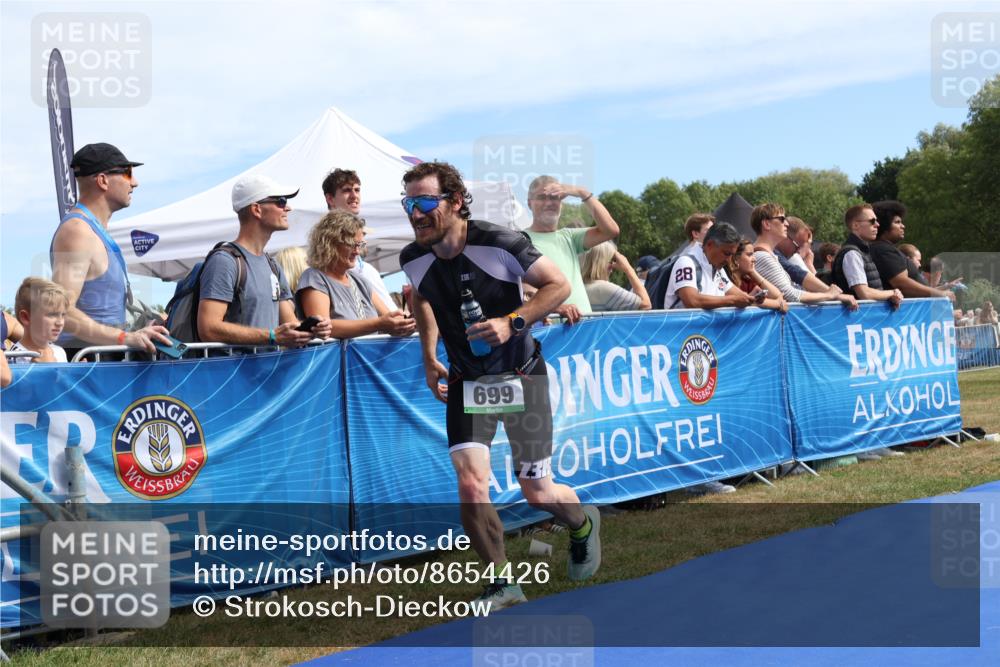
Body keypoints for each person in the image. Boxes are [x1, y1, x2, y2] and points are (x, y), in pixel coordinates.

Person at [400, 162, 601, 609]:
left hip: (521, 374)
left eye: (425, 202)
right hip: (468, 381)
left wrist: (512, 323)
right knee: (472, 484)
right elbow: (424, 301)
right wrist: (429, 355)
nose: (415, 213)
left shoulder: (499, 242)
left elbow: (558, 285)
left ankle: (583, 524)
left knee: (538, 491)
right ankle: (502, 583)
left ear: (454, 202)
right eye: (409, 203)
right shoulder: (412, 257)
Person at [49, 143, 171, 358]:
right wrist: (125, 338)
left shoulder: (95, 231)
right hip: (88, 362)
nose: (135, 182)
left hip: (104, 358)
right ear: (103, 180)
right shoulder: (77, 231)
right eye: (127, 173)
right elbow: (61, 311)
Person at [197, 175, 330, 346]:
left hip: (268, 370)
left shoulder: (273, 265)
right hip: (236, 371)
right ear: (257, 210)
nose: (287, 208)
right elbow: (208, 328)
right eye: (281, 201)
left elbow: (289, 324)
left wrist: (313, 329)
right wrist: (272, 336)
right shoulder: (224, 261)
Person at [298, 210, 416, 338]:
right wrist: (379, 324)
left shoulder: (359, 281)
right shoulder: (314, 278)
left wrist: (404, 324)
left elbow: (387, 318)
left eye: (360, 244)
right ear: (329, 243)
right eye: (352, 245)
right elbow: (323, 329)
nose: (357, 251)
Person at [524, 175, 620, 323]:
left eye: (555, 198)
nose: (549, 202)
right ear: (529, 203)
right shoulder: (520, 239)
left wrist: (581, 192)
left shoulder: (568, 237)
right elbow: (523, 289)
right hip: (548, 332)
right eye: (542, 197)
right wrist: (554, 308)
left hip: (583, 329)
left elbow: (610, 230)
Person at [750, 203, 856, 309]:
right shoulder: (762, 256)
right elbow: (789, 295)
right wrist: (829, 295)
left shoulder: (767, 255)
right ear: (766, 224)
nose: (786, 223)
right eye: (782, 219)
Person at [321, 168, 394, 308]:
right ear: (330, 198)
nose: (354, 195)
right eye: (347, 190)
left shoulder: (364, 268)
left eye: (357, 190)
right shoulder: (328, 251)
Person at [870, 201, 955, 302]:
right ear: (884, 226)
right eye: (897, 222)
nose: (903, 226)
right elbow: (902, 284)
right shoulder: (882, 249)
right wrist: (939, 293)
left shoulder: (885, 248)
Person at [662, 222, 756, 311]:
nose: (729, 260)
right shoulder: (686, 262)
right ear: (710, 244)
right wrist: (732, 300)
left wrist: (753, 298)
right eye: (726, 253)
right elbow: (692, 301)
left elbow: (739, 296)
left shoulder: (718, 269)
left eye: (732, 255)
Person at [830, 204, 904, 307]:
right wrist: (892, 293)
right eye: (872, 221)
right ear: (856, 225)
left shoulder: (861, 251)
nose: (877, 224)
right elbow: (864, 293)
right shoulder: (852, 253)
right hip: (857, 320)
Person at [10, 278, 68, 363]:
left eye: (63, 315)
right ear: (26, 317)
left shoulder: (59, 351)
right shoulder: (14, 358)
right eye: (52, 315)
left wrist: (77, 374)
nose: (60, 323)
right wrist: (39, 370)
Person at [580, 242, 651, 311]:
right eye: (611, 261)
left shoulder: (578, 287)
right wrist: (628, 268)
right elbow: (646, 305)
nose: (612, 268)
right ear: (600, 262)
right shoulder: (603, 289)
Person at [727, 240, 788, 312]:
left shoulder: (747, 281)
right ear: (735, 258)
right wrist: (777, 304)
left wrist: (753, 272)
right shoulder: (727, 279)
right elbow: (744, 302)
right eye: (749, 255)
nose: (754, 259)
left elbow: (777, 295)